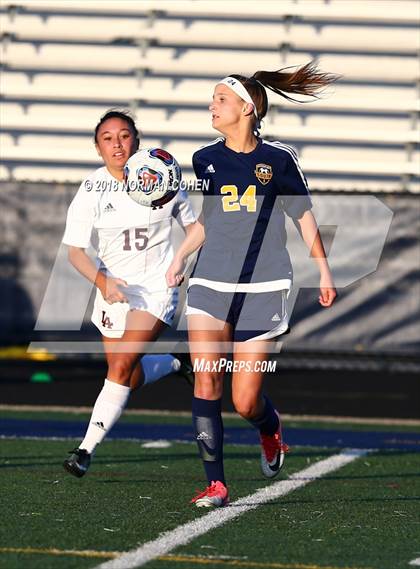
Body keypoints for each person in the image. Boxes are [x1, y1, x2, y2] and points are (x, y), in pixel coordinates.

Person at [166, 62, 338, 507]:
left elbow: (303, 217)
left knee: (245, 400)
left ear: (246, 108)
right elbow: (208, 220)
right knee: (207, 382)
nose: (212, 106)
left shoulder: (280, 160)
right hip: (211, 282)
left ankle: (270, 429)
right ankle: (217, 484)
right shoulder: (205, 158)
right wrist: (180, 257)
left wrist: (323, 270)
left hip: (264, 284)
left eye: (219, 99)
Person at [62, 109, 196, 477]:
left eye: (124, 135)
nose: (117, 144)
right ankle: (173, 362)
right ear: (97, 147)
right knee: (127, 374)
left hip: (155, 289)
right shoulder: (91, 189)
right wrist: (103, 283)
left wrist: (181, 261)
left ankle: (85, 450)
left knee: (120, 365)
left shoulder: (162, 175)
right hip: (114, 290)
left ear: (136, 140)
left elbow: (196, 227)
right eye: (108, 138)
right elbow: (75, 251)